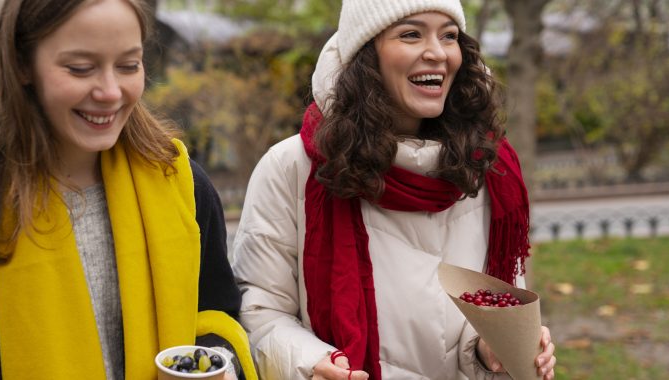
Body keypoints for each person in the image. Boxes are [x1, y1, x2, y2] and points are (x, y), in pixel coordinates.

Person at [0, 0, 256, 379]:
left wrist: (215, 362)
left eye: (129, 65)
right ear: (22, 64)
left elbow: (216, 312)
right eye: (80, 68)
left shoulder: (181, 184)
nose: (110, 92)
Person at [232, 0, 557, 379]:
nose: (437, 52)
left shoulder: (487, 165)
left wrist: (491, 347)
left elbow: (492, 300)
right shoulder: (292, 167)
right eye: (411, 34)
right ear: (367, 54)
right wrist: (310, 363)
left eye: (449, 36)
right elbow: (260, 311)